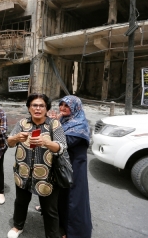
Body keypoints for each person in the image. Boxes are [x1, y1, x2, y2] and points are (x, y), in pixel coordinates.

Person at [6, 93, 67, 238]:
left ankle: (52, 235)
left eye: (41, 106)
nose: (38, 108)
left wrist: (47, 142)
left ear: (46, 109)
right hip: (23, 172)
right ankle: (17, 226)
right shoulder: (22, 124)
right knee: (21, 201)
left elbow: (62, 147)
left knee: (49, 209)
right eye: (34, 105)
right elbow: (9, 143)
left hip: (47, 175)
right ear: (29, 108)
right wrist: (15, 137)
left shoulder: (54, 124)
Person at [53, 96, 92, 238]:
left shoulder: (79, 124)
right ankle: (62, 225)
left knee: (73, 199)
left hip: (75, 167)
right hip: (65, 165)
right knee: (63, 195)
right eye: (61, 104)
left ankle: (75, 233)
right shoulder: (65, 120)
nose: (62, 108)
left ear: (75, 107)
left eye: (66, 105)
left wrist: (55, 124)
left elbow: (65, 142)